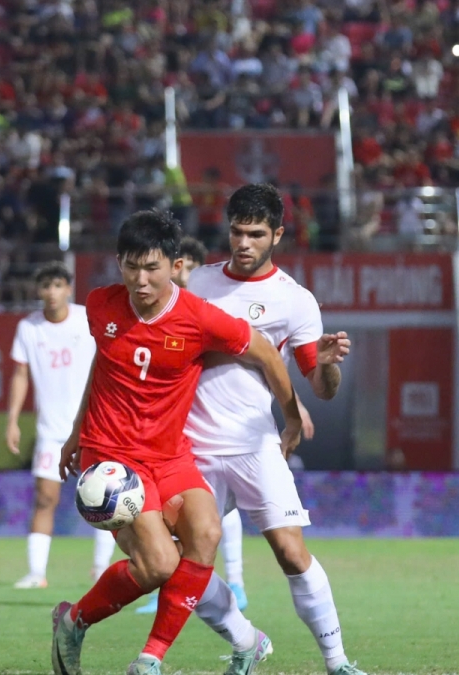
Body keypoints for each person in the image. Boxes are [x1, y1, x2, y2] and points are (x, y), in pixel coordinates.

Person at [50, 210, 303, 675]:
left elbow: (266, 352)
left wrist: (291, 415)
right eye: (130, 266)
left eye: (151, 267)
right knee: (159, 564)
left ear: (175, 265)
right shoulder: (102, 305)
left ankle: (152, 657)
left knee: (206, 533)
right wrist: (75, 432)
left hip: (170, 456)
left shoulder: (199, 318)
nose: (140, 280)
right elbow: (104, 367)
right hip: (112, 459)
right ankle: (73, 621)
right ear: (118, 263)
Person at [185, 184, 365, 675]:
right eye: (237, 232)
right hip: (193, 448)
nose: (243, 243)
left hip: (254, 445)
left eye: (256, 234)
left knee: (290, 550)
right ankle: (247, 639)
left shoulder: (295, 301)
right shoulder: (196, 284)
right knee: (178, 566)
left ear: (278, 235)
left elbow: (322, 388)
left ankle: (337, 661)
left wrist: (327, 365)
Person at [138, 236, 251, 615]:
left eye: (187, 267)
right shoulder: (154, 311)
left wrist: (294, 403)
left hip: (209, 425)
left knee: (214, 513)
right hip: (172, 430)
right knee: (186, 515)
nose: (182, 273)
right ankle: (174, 579)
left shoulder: (205, 312)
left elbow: (251, 358)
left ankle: (234, 579)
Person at [6, 263, 115, 589]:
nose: (51, 292)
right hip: (51, 432)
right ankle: (36, 573)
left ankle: (100, 569)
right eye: (45, 286)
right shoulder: (29, 327)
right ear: (38, 291)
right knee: (45, 498)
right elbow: (21, 374)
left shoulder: (86, 319)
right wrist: (12, 420)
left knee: (104, 499)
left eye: (57, 285)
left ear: (68, 288)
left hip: (92, 426)